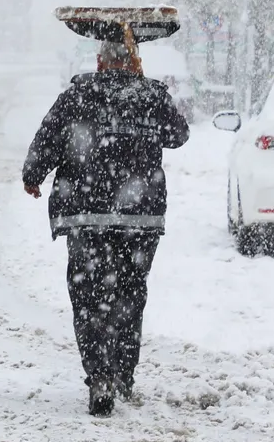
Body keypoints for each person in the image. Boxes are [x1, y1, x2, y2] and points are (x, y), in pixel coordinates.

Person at [22, 40, 190, 417]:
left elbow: (47, 139)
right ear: (135, 61)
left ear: (99, 61)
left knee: (87, 298)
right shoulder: (151, 95)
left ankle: (99, 375)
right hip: (139, 218)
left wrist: (32, 175)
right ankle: (123, 373)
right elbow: (179, 135)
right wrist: (146, 90)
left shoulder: (78, 95)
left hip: (86, 215)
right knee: (130, 294)